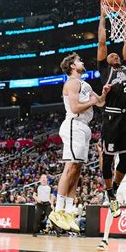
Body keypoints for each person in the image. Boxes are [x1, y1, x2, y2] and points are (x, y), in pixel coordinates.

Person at [49, 52, 109, 232]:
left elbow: (99, 103)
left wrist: (104, 94)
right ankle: (58, 210)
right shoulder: (71, 83)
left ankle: (68, 211)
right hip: (73, 124)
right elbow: (75, 108)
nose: (82, 62)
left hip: (84, 127)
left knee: (77, 170)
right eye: (79, 60)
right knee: (70, 167)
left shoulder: (85, 84)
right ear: (73, 66)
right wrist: (92, 101)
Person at [97, 4, 126, 219]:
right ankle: (109, 191)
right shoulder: (104, 69)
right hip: (112, 116)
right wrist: (103, 16)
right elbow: (102, 41)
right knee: (108, 158)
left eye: (116, 54)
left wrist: (124, 18)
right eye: (111, 55)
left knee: (125, 157)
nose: (114, 55)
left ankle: (114, 190)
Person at [96, 140, 126, 252]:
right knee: (111, 211)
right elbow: (104, 168)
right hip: (117, 185)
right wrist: (100, 153)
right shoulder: (115, 155)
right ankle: (104, 240)